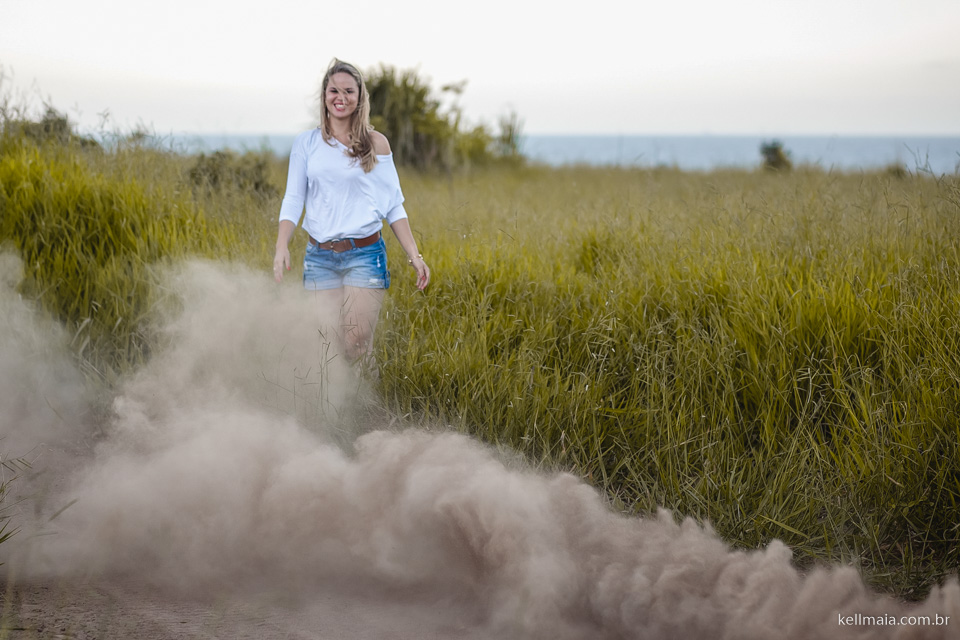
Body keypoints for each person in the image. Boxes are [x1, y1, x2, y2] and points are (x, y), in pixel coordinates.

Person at [273, 58, 429, 378]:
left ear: (360, 98)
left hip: (364, 254)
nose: (340, 97)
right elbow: (293, 197)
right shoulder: (307, 143)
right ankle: (338, 413)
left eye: (348, 91)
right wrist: (281, 245)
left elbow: (393, 205)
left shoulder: (375, 143)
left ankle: (370, 412)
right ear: (324, 96)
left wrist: (414, 255)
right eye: (333, 90)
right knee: (327, 345)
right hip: (320, 256)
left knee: (355, 342)